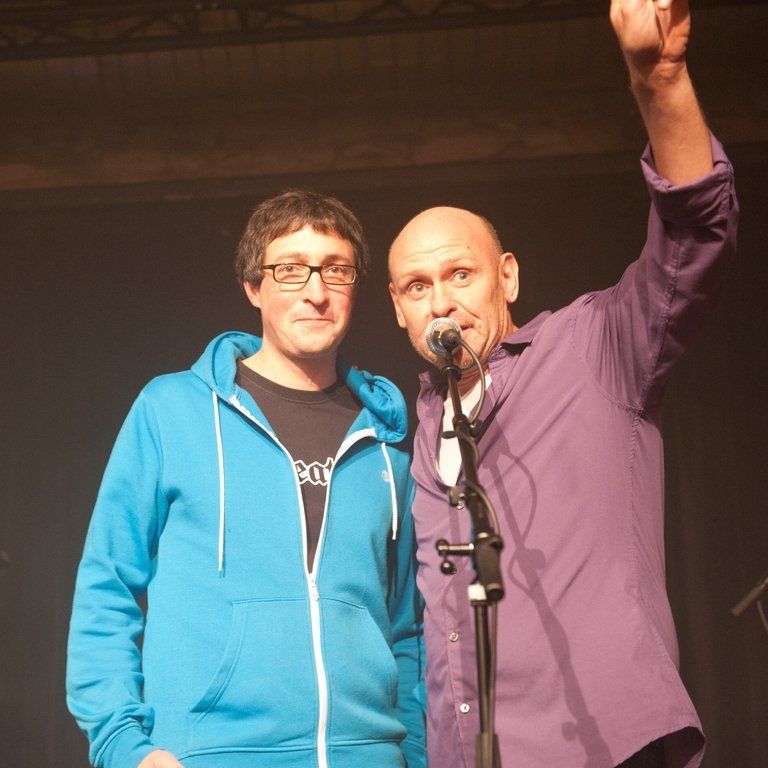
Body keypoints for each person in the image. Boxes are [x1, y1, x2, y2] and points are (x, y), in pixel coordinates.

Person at [387, 0, 738, 766]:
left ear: (507, 276)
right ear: (398, 309)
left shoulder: (592, 346)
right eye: (417, 287)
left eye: (460, 274)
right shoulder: (412, 427)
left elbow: (694, 236)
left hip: (602, 745)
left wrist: (661, 79)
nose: (440, 301)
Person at [67, 191, 426, 768]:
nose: (316, 291)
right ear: (253, 287)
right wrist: (123, 746)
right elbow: (108, 586)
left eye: (335, 269)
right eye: (291, 270)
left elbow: (408, 629)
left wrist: (416, 753)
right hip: (210, 753)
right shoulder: (172, 410)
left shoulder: (387, 448)